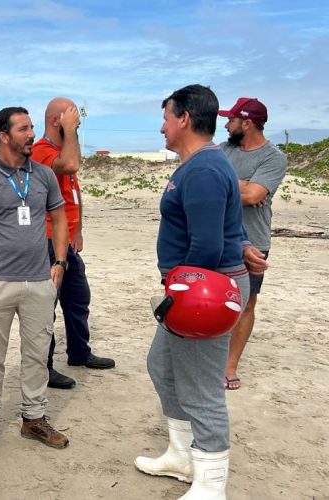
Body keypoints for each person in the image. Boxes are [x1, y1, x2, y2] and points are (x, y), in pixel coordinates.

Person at [134, 84, 266, 499]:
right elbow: (229, 225)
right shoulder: (204, 163)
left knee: (202, 386)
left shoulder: (206, 168)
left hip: (204, 292)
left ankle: (211, 483)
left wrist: (183, 290)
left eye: (166, 118)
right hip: (197, 286)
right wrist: (242, 245)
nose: (162, 128)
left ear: (185, 118)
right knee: (162, 365)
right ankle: (181, 454)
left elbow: (207, 247)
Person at [0, 106, 70, 454]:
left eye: (32, 127)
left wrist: (61, 262)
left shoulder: (43, 176)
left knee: (37, 355)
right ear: (3, 136)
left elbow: (60, 217)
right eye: (23, 129)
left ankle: (33, 419)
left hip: (39, 282)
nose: (31, 135)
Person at [31, 97, 115, 390]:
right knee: (46, 306)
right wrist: (71, 131)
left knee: (78, 299)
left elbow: (73, 195)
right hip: (47, 242)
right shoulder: (42, 151)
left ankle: (79, 353)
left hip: (67, 241)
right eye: (72, 118)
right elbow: (69, 165)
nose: (77, 122)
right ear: (57, 121)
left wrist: (78, 230)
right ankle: (45, 367)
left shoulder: (62, 148)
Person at [218, 97, 287, 390]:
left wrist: (231, 185)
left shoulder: (273, 157)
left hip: (254, 240)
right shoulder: (222, 150)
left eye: (232, 120)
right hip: (217, 236)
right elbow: (245, 192)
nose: (226, 124)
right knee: (213, 300)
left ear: (247, 123)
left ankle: (229, 365)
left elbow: (253, 196)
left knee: (246, 303)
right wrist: (245, 184)